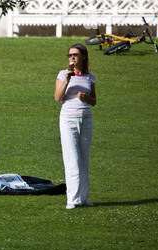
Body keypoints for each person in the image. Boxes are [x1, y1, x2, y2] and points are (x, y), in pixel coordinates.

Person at [54, 43, 97, 209]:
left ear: (83, 57)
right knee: (72, 159)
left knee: (83, 159)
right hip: (68, 119)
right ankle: (71, 200)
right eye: (70, 55)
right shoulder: (63, 74)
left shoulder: (89, 77)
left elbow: (94, 101)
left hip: (85, 120)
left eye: (76, 55)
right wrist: (67, 81)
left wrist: (86, 97)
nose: (72, 57)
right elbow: (57, 98)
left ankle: (83, 199)